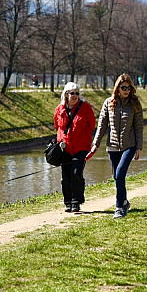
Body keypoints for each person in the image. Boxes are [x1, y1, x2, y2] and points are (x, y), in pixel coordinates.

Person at [88, 74, 144, 219]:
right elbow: (102, 125)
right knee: (117, 177)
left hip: (129, 145)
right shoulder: (109, 103)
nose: (126, 90)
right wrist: (95, 144)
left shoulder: (135, 104)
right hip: (112, 146)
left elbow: (139, 127)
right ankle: (124, 202)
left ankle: (119, 207)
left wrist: (139, 147)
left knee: (120, 174)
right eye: (123, 87)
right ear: (117, 88)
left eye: (129, 88)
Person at [54, 82, 96, 213]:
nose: (75, 96)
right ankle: (68, 202)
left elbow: (92, 125)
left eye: (77, 93)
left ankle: (76, 201)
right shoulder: (59, 110)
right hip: (65, 148)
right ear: (66, 94)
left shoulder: (86, 108)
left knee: (76, 173)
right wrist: (62, 140)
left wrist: (86, 140)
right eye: (72, 93)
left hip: (81, 147)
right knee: (66, 176)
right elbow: (57, 127)